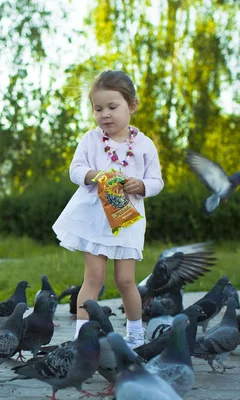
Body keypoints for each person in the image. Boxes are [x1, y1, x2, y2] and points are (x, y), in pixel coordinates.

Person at [52, 70, 164, 348]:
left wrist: (141, 185)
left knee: (126, 280)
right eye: (98, 108)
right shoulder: (91, 139)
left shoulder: (145, 145)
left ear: (132, 105)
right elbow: (75, 169)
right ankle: (82, 334)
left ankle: (136, 333)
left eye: (112, 107)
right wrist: (93, 175)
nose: (105, 115)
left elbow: (157, 181)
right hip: (94, 218)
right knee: (93, 277)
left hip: (127, 219)